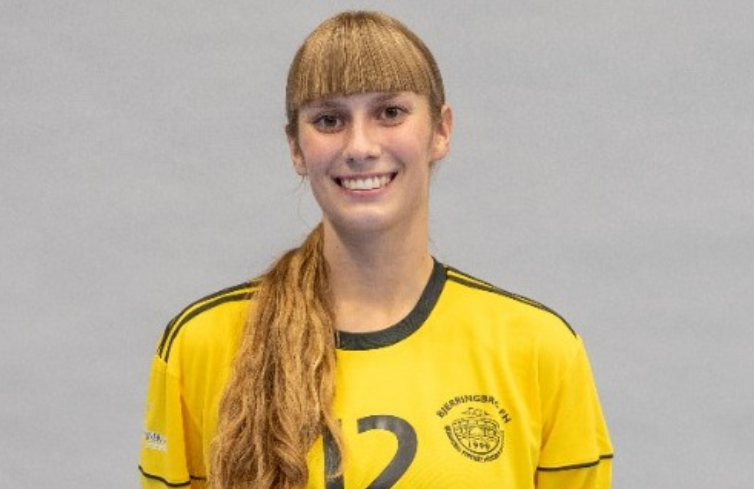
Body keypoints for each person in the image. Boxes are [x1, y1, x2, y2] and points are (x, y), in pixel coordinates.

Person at [138, 10, 613, 489]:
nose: (360, 146)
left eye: (390, 113)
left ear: (441, 130)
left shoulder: (539, 348)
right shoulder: (201, 344)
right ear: (296, 148)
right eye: (329, 120)